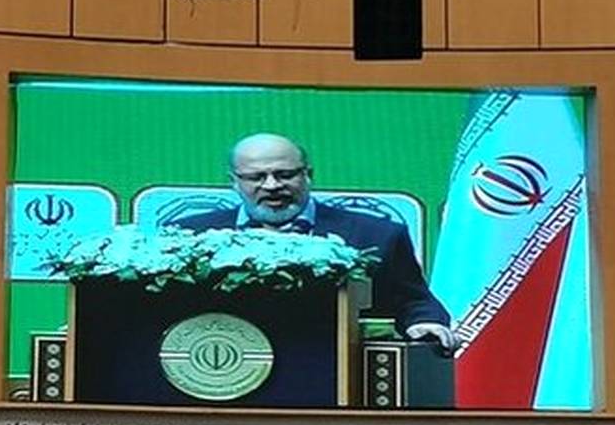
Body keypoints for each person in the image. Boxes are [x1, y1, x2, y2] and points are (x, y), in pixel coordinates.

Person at [174, 133, 458, 353]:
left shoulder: (377, 235)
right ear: (234, 182)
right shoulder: (189, 236)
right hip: (227, 366)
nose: (272, 186)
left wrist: (426, 323)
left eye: (285, 175)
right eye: (256, 177)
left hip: (339, 368)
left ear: (308, 175)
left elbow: (413, 300)